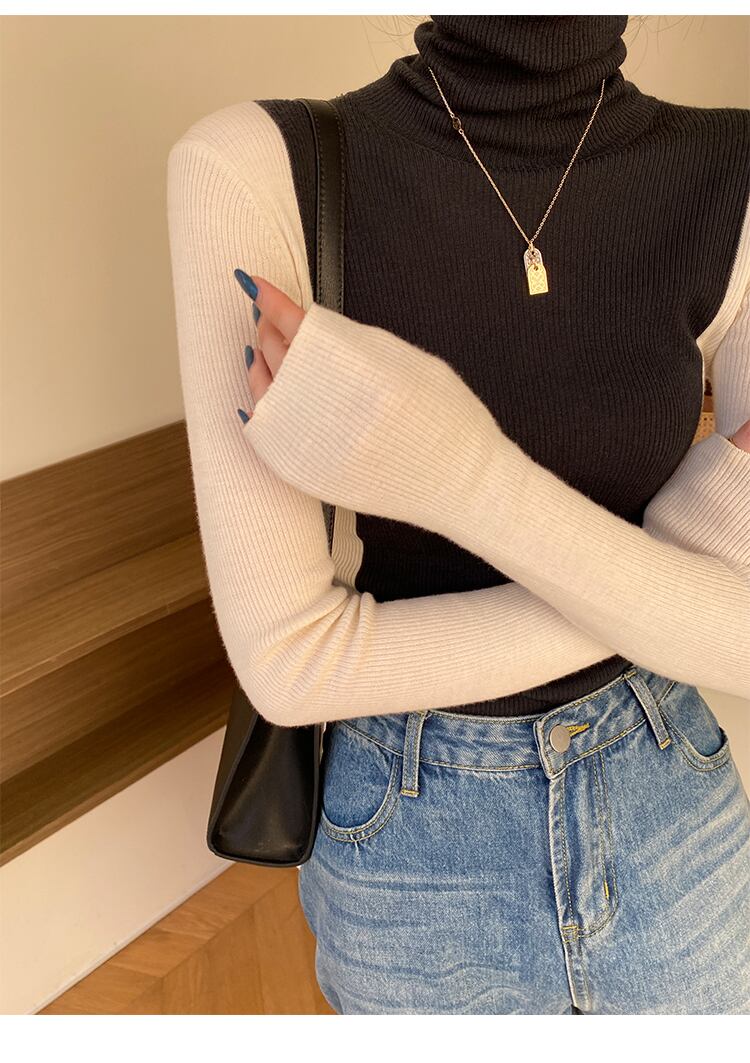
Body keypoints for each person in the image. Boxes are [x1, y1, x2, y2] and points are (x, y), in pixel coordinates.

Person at [166, 15, 750, 1014]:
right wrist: (677, 588)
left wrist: (456, 476)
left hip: (672, 807)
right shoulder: (252, 168)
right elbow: (293, 664)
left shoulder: (734, 173)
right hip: (409, 840)